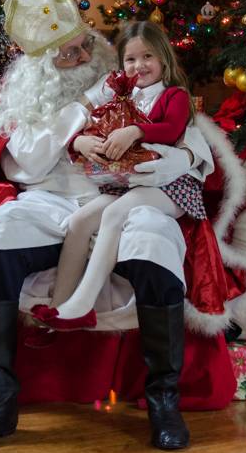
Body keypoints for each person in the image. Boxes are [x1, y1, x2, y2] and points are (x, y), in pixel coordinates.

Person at [0, 0, 242, 453]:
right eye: (66, 55)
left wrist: (180, 159)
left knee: (157, 241)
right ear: (41, 67)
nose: (80, 59)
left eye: (83, 47)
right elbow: (28, 162)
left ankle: (163, 399)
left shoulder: (129, 80)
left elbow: (184, 132)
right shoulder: (28, 103)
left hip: (126, 195)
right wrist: (78, 119)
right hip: (47, 200)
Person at [33, 21, 205, 329]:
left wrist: (135, 131)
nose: (139, 65)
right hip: (127, 186)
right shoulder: (120, 98)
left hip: (169, 187)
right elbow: (94, 125)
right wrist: (79, 142)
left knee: (114, 215)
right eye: (131, 59)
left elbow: (171, 130)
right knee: (79, 221)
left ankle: (82, 305)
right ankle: (59, 308)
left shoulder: (174, 96)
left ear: (163, 58)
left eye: (148, 56)